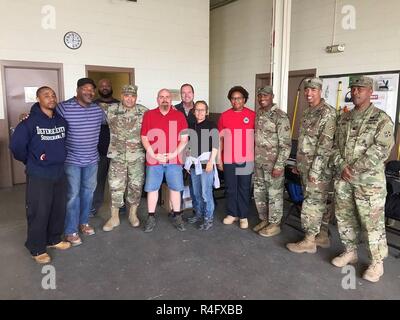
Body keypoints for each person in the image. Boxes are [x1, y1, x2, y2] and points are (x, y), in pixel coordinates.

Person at [331, 76, 394, 283]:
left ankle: (377, 263)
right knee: (345, 217)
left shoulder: (381, 119)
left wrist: (354, 168)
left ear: (370, 91)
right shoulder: (344, 119)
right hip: (344, 180)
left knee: (372, 223)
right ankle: (350, 251)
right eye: (354, 88)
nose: (356, 92)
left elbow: (381, 149)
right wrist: (342, 166)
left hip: (369, 183)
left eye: (361, 88)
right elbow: (334, 147)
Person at [9, 87, 71, 264]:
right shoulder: (28, 123)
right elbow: (16, 147)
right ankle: (36, 247)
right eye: (46, 95)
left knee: (58, 208)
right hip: (39, 173)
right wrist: (31, 160)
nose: (51, 98)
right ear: (38, 99)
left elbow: (62, 143)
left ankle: (54, 239)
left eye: (53, 95)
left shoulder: (61, 121)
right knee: (39, 211)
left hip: (59, 171)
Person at [286, 78, 336, 253]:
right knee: (319, 202)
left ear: (320, 91)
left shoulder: (327, 113)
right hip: (306, 166)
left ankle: (309, 241)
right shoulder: (308, 112)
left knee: (312, 203)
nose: (309, 93)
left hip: (318, 169)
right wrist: (299, 164)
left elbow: (325, 146)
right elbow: (305, 142)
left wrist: (315, 170)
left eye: (313, 90)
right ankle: (321, 236)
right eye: (307, 90)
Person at [58, 78, 105, 246]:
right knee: (72, 195)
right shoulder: (63, 107)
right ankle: (70, 230)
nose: (89, 92)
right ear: (77, 90)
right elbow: (47, 117)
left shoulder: (97, 110)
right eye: (85, 89)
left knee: (88, 193)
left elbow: (111, 122)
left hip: (92, 159)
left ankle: (84, 222)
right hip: (71, 160)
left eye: (92, 90)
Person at [141, 89, 189, 232]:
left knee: (175, 189)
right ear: (157, 99)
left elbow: (184, 139)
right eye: (161, 97)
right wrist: (154, 155)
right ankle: (150, 217)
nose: (164, 99)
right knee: (152, 189)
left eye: (167, 97)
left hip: (174, 160)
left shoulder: (179, 116)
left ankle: (178, 216)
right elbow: (144, 137)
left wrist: (174, 153)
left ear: (171, 100)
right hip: (154, 160)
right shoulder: (149, 115)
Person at [102, 85, 147, 231]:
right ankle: (114, 217)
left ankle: (132, 214)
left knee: (136, 185)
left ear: (136, 97)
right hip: (117, 156)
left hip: (137, 156)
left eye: (132, 96)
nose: (129, 98)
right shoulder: (110, 109)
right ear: (122, 96)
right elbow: (87, 110)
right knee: (115, 185)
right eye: (127, 95)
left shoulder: (144, 111)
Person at [253, 86, 291, 237]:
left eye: (266, 95)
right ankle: (265, 219)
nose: (262, 98)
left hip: (273, 163)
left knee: (274, 194)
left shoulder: (280, 116)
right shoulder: (259, 113)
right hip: (259, 162)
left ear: (272, 96)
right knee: (260, 193)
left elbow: (286, 144)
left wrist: (280, 165)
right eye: (260, 95)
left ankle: (274, 224)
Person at [218, 86, 255, 229]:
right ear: (230, 100)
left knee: (244, 188)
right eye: (233, 98)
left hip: (246, 159)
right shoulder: (224, 116)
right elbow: (220, 139)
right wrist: (219, 159)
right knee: (231, 188)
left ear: (244, 99)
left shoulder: (252, 115)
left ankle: (243, 215)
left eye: (239, 98)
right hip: (228, 158)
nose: (236, 101)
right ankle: (232, 213)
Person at [184, 101, 219, 230]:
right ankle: (198, 214)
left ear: (207, 111)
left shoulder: (211, 125)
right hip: (194, 164)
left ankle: (208, 218)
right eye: (197, 110)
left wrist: (211, 161)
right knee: (196, 192)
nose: (199, 112)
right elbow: (189, 145)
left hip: (206, 164)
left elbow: (215, 144)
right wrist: (188, 161)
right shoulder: (191, 126)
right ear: (194, 112)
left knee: (206, 193)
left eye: (202, 110)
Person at [91, 79, 120, 216]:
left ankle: (121, 207)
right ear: (98, 89)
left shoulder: (119, 104)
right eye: (102, 86)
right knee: (98, 181)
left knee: (118, 182)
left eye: (107, 85)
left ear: (111, 87)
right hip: (99, 150)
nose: (105, 88)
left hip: (117, 150)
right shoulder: (92, 105)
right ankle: (94, 207)